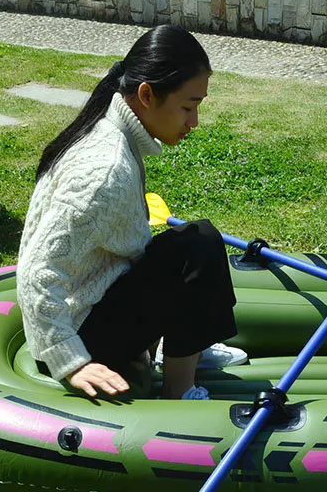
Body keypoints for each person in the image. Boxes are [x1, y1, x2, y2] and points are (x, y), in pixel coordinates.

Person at [17, 24, 246, 400]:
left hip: (96, 300)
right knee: (198, 244)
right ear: (146, 94)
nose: (194, 122)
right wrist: (70, 359)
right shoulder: (104, 172)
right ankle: (179, 391)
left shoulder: (112, 133)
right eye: (188, 107)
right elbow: (36, 271)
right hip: (82, 332)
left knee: (193, 241)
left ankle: (187, 346)